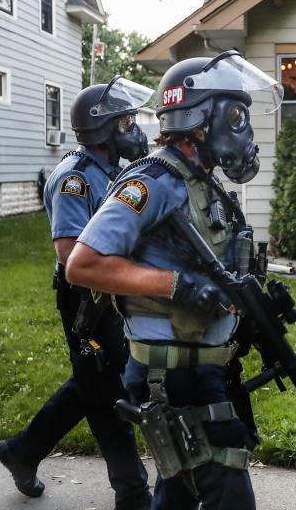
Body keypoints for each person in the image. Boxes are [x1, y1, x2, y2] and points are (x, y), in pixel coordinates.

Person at [65, 50, 282, 510]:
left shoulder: (201, 180)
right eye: (237, 114)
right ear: (201, 121)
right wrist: (176, 287)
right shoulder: (153, 181)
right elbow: (82, 264)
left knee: (180, 492)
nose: (244, 128)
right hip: (170, 373)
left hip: (199, 365)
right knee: (226, 484)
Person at [0, 77, 153, 508]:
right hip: (86, 301)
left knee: (93, 383)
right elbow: (70, 257)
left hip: (111, 296)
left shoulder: (112, 172)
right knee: (108, 395)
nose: (134, 130)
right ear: (104, 129)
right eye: (126, 122)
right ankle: (133, 491)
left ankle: (21, 452)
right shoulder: (75, 180)